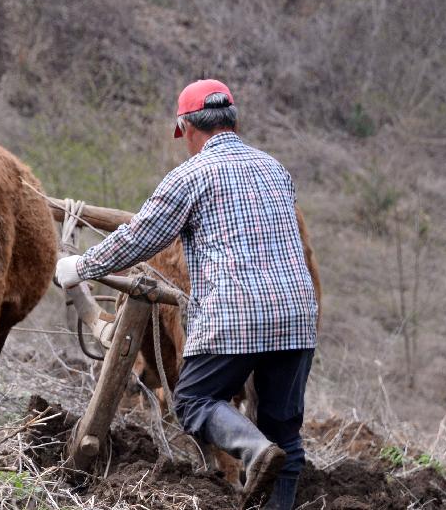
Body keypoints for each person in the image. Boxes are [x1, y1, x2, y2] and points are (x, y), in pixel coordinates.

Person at [56, 79, 317, 510]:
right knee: (284, 433)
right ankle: (267, 457)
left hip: (236, 314)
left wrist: (80, 266)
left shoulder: (191, 175)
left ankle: (251, 449)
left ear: (187, 127)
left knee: (193, 401)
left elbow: (140, 239)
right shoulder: (275, 169)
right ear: (232, 120)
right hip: (297, 318)